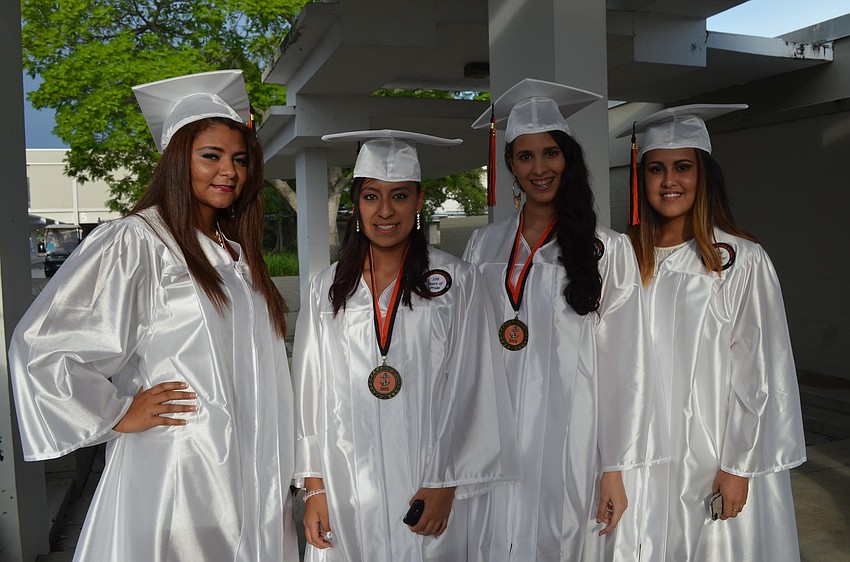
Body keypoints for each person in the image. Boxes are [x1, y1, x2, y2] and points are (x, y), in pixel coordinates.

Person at [9, 70, 298, 561]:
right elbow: (40, 344)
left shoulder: (235, 253)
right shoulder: (139, 241)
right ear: (175, 160)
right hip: (183, 467)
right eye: (210, 156)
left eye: (239, 160)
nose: (228, 171)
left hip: (256, 468)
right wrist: (118, 412)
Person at [463, 78, 668, 561]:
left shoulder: (607, 249)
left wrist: (614, 466)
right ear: (509, 165)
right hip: (495, 435)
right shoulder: (482, 247)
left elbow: (626, 364)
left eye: (550, 153)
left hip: (571, 437)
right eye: (525, 156)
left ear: (568, 159)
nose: (539, 168)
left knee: (561, 541)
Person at [292, 129, 519, 562]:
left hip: (427, 477)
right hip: (347, 483)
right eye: (371, 196)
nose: (385, 211)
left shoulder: (456, 282)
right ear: (355, 204)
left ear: (419, 201)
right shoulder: (327, 288)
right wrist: (314, 487)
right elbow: (309, 389)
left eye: (399, 196)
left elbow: (475, 381)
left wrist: (445, 480)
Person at [609, 104, 807, 561]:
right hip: (636, 452)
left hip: (711, 454)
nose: (669, 181)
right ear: (642, 181)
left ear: (704, 177)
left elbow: (759, 371)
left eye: (683, 167)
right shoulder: (622, 261)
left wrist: (739, 467)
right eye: (656, 169)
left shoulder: (739, 259)